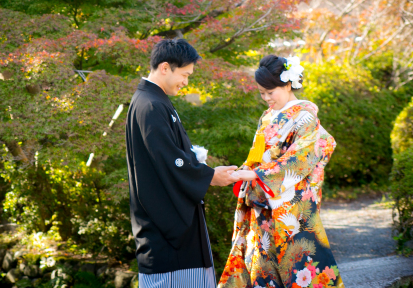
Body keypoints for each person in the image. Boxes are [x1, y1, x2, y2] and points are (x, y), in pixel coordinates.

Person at [126, 38, 253, 288]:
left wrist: (204, 171)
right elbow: (168, 161)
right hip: (165, 230)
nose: (186, 82)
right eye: (184, 74)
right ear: (165, 68)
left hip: (173, 222)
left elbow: (172, 156)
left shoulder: (155, 101)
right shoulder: (149, 105)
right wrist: (209, 176)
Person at [218, 55, 344, 288]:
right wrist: (244, 170)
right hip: (263, 201)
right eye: (262, 93)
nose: (266, 98)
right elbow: (258, 155)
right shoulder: (267, 117)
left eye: (270, 92)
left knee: (297, 264)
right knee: (261, 263)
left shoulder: (305, 115)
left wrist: (258, 175)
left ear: (287, 85)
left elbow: (303, 156)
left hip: (290, 205)